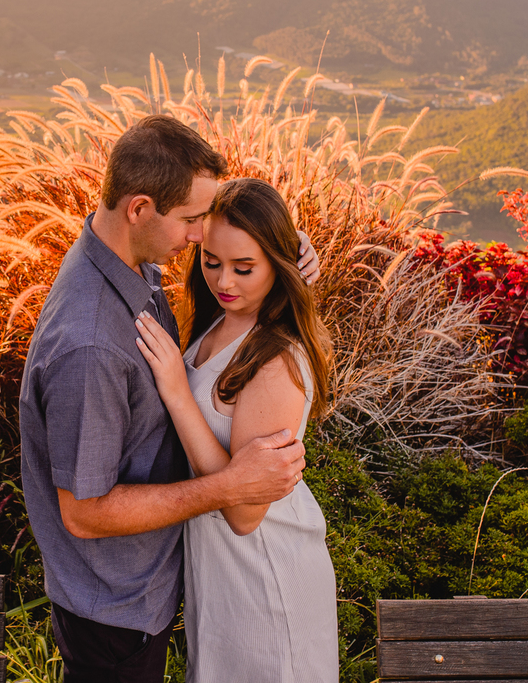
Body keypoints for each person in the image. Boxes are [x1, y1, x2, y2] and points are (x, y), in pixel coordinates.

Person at [19, 115, 319, 683]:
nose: (200, 236)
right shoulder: (91, 345)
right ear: (139, 208)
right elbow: (84, 513)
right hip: (114, 608)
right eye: (190, 221)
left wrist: (288, 255)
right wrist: (230, 484)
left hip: (177, 587)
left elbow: (246, 296)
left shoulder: (126, 264)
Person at [134, 177, 338, 682]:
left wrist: (178, 392)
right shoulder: (219, 322)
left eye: (245, 268)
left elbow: (245, 512)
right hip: (221, 572)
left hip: (266, 574)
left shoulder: (276, 360)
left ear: (278, 266)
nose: (225, 281)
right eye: (212, 262)